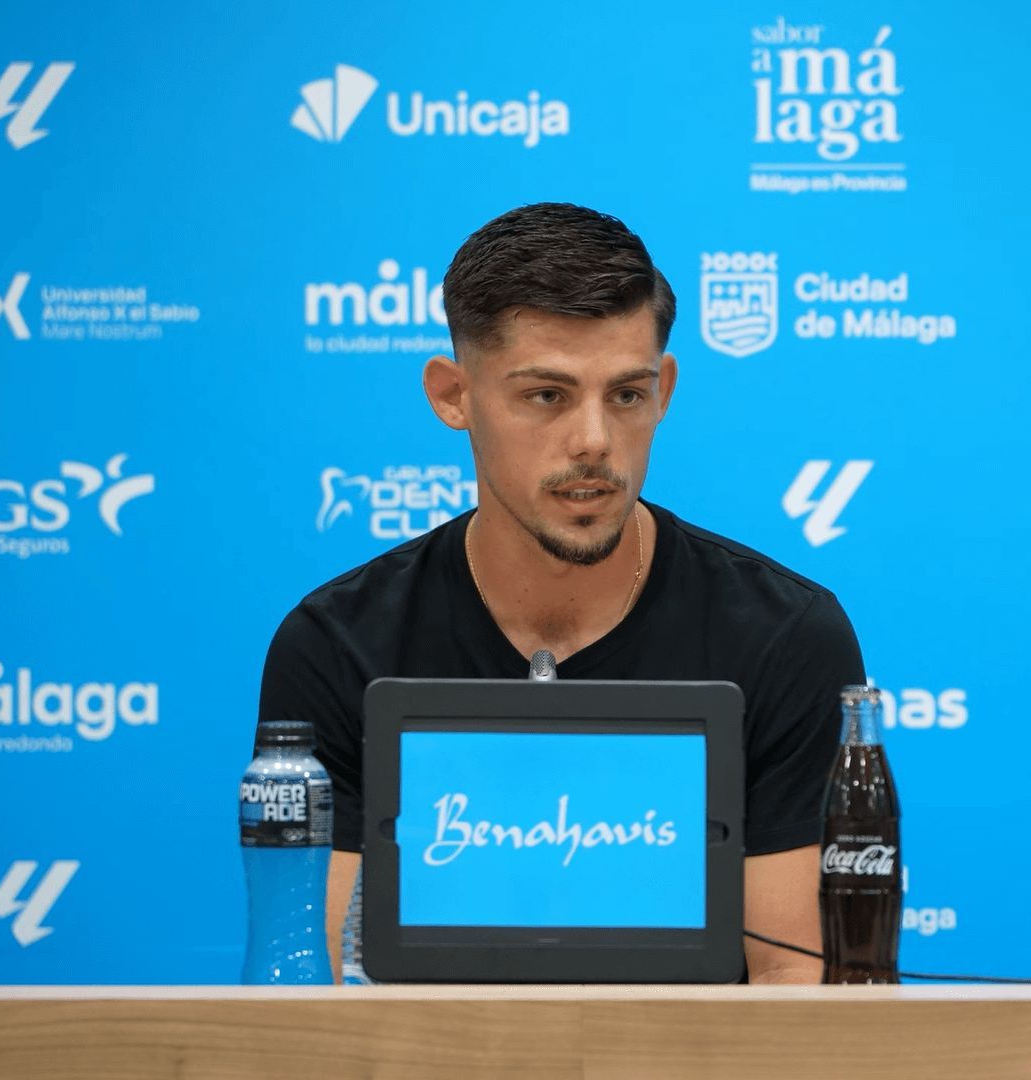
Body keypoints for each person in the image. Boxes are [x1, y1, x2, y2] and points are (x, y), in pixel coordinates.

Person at [257, 202, 866, 984]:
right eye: (547, 395)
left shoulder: (786, 634)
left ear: (665, 388)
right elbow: (317, 988)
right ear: (453, 395)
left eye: (626, 395)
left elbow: (792, 986)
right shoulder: (336, 643)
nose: (594, 441)